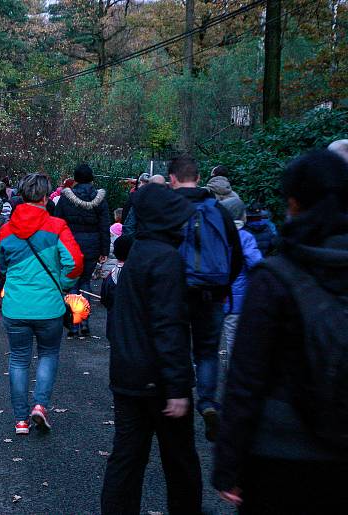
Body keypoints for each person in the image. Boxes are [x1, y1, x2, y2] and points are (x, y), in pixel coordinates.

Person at [213, 150, 348, 513]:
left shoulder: (277, 277)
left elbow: (246, 378)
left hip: (278, 450)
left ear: (293, 202)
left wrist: (228, 462)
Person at [101, 183, 202, 515]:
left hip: (128, 374)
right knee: (180, 462)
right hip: (157, 379)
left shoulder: (137, 253)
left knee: (127, 459)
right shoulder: (166, 259)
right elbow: (168, 325)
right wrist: (176, 386)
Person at [0, 173, 84, 435]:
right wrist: (62, 285)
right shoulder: (57, 227)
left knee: (19, 360)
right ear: (46, 197)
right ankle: (40, 406)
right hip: (49, 308)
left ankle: (21, 420)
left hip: (15, 306)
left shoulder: (6, 230)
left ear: (21, 196)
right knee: (48, 354)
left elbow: (2, 265)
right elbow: (75, 263)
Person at [169, 155, 243, 442]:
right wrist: (224, 285)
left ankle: (179, 398)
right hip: (212, 292)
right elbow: (234, 252)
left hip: (178, 291)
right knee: (208, 350)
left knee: (178, 344)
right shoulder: (219, 210)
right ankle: (208, 402)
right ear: (199, 178)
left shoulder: (170, 209)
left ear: (172, 179)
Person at [54, 163, 110, 336]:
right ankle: (84, 321)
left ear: (75, 179)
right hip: (92, 245)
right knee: (85, 282)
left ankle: (73, 323)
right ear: (92, 178)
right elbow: (104, 225)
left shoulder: (65, 198)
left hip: (70, 245)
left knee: (72, 283)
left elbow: (57, 223)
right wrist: (104, 250)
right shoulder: (99, 199)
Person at [219, 198, 263, 361]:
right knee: (233, 340)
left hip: (215, 297)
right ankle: (231, 379)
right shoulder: (244, 237)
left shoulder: (217, 234)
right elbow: (256, 263)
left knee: (210, 342)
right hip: (237, 298)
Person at [100, 233, 133, 341]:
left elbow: (104, 298)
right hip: (132, 324)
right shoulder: (135, 274)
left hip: (114, 322)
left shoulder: (111, 275)